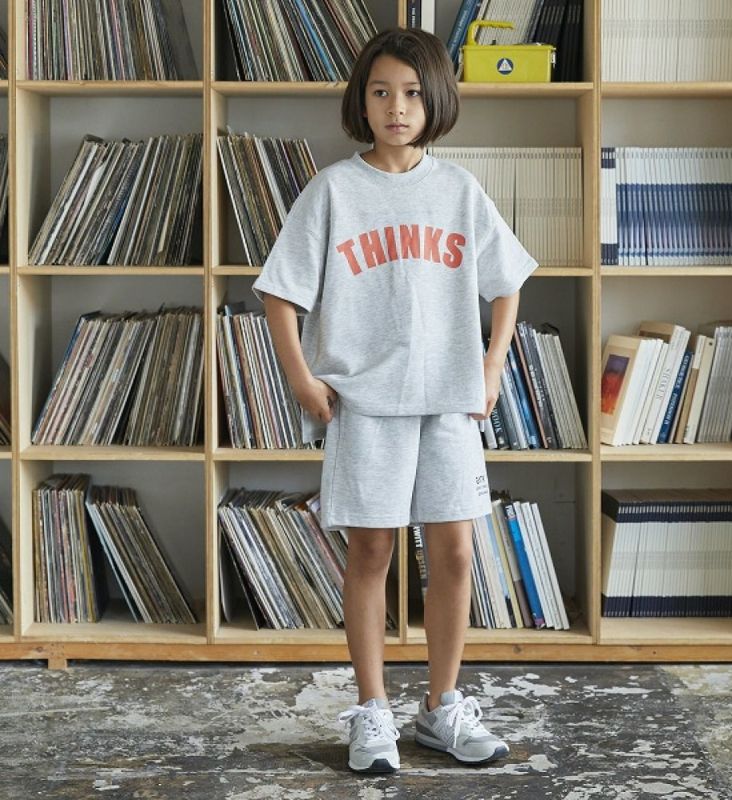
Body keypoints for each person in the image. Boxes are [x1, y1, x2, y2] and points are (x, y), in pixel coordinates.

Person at [252, 27, 538, 774]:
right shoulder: (333, 191)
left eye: (411, 93)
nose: (396, 107)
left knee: (455, 552)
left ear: (435, 99)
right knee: (372, 549)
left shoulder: (458, 190)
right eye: (381, 92)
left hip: (447, 404)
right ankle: (373, 709)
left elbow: (507, 281)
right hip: (365, 406)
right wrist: (300, 377)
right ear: (362, 101)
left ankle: (442, 708)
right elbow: (279, 292)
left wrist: (493, 366)